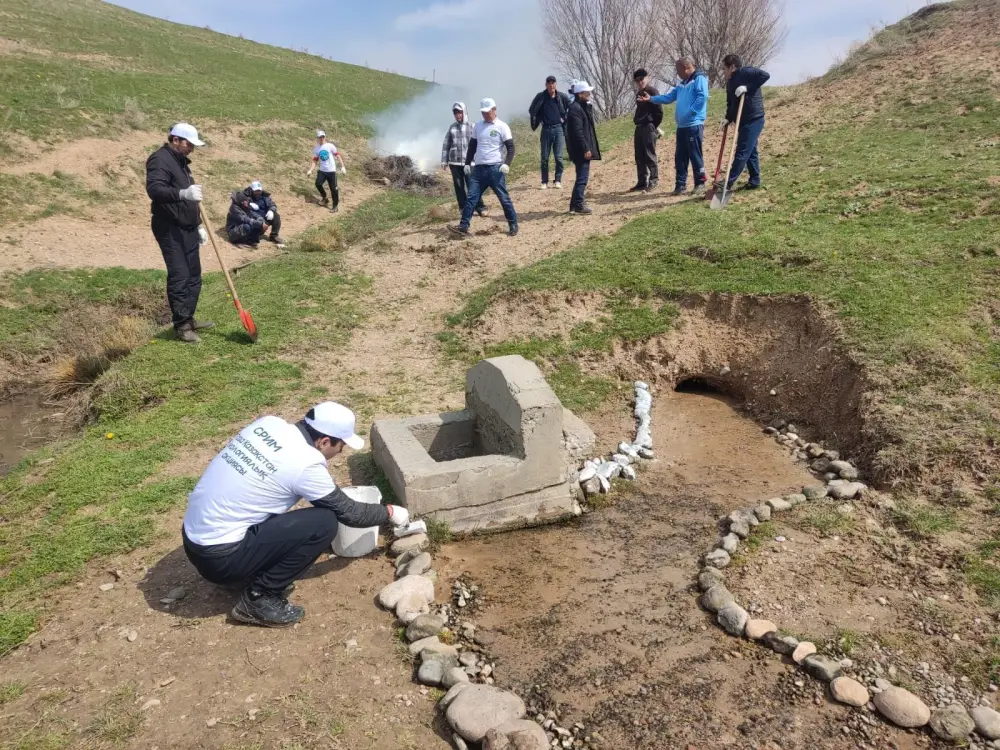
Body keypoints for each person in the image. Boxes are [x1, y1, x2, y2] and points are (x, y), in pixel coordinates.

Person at [182, 401, 411, 627]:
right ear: (324, 441)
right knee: (324, 522)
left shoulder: (268, 425)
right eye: (340, 446)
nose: (341, 452)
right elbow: (351, 513)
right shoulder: (304, 464)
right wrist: (391, 512)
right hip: (220, 560)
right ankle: (259, 598)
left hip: (195, 538)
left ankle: (250, 570)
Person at [145, 122, 212, 344]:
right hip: (169, 227)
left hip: (188, 227)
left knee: (194, 276)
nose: (192, 148)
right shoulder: (159, 159)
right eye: (189, 144)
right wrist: (183, 193)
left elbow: (192, 201)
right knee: (180, 275)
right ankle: (182, 325)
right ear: (175, 140)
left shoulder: (182, 162)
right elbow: (155, 190)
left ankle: (189, 317)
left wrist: (198, 223)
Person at [448, 98, 519, 238]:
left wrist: (506, 164)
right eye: (483, 113)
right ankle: (463, 226)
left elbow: (511, 148)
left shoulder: (502, 126)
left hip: (495, 169)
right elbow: (472, 146)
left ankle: (513, 223)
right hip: (479, 169)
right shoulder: (478, 126)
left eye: (488, 112)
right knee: (471, 197)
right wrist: (468, 163)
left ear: (494, 110)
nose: (485, 115)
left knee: (503, 198)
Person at [639, 57, 710, 196]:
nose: (677, 73)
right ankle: (680, 185)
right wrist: (651, 99)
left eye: (678, 70)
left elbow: (702, 97)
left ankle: (700, 182)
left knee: (695, 155)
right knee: (680, 156)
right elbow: (669, 97)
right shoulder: (682, 84)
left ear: (686, 67)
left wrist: (691, 112)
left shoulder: (699, 79)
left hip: (693, 124)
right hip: (682, 127)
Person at [720, 54, 770, 192]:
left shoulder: (746, 72)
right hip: (741, 120)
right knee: (750, 151)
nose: (723, 72)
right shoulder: (730, 83)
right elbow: (730, 102)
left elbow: (765, 75)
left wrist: (747, 87)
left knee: (742, 151)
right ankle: (755, 180)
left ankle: (728, 182)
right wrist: (728, 118)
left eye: (724, 68)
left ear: (732, 66)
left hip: (754, 118)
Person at [440, 102, 487, 217]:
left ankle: (480, 207)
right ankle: (463, 208)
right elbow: (446, 144)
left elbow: (479, 143)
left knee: (473, 185)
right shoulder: (452, 127)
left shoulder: (473, 126)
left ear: (464, 112)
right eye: (455, 113)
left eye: (459, 112)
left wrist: (481, 159)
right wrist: (444, 160)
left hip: (469, 162)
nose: (457, 115)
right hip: (454, 163)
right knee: (459, 186)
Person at [528, 75, 572, 190]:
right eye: (549, 83)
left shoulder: (561, 96)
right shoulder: (541, 97)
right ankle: (544, 181)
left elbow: (571, 107)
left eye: (553, 83)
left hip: (559, 129)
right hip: (546, 129)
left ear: (556, 84)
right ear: (546, 85)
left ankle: (558, 180)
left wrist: (565, 119)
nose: (551, 85)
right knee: (544, 157)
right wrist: (537, 119)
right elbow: (532, 109)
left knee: (558, 157)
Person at [565, 81, 601, 215]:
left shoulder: (581, 107)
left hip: (580, 148)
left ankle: (574, 206)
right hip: (580, 150)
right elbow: (578, 132)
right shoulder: (575, 109)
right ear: (580, 94)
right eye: (587, 92)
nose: (590, 94)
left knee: (581, 176)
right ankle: (579, 205)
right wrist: (586, 149)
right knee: (582, 178)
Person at [631, 69, 664, 192]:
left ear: (647, 78)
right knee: (639, 155)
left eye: (642, 79)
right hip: (639, 127)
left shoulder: (652, 92)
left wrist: (653, 126)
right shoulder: (638, 94)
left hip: (648, 126)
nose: (640, 82)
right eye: (637, 80)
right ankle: (641, 181)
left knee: (649, 154)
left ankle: (653, 179)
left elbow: (659, 111)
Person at [226, 181, 282, 246]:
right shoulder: (235, 208)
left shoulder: (265, 197)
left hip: (258, 219)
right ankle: (244, 240)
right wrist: (260, 223)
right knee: (248, 226)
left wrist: (270, 212)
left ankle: (273, 236)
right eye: (256, 191)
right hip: (236, 229)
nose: (258, 192)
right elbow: (245, 218)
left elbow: (251, 213)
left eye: (259, 191)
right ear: (252, 190)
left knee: (276, 216)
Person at [306, 130, 346, 211]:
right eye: (320, 137)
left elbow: (337, 155)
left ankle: (335, 206)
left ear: (325, 137)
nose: (321, 138)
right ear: (317, 138)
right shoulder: (317, 148)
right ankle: (325, 198)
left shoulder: (330, 146)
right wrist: (310, 170)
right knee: (318, 184)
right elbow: (315, 160)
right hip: (322, 171)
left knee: (334, 189)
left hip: (331, 171)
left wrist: (342, 166)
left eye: (323, 137)